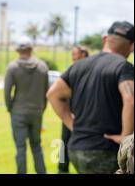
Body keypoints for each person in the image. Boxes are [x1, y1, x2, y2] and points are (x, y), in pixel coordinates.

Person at [48, 21, 134, 174]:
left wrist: (73, 126)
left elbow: (53, 94)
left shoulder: (78, 66)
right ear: (131, 45)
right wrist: (126, 139)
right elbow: (131, 100)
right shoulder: (123, 67)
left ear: (105, 40)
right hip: (107, 150)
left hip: (77, 149)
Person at [4, 43, 49, 174]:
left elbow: (7, 92)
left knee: (20, 148)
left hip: (18, 111)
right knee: (36, 146)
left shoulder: (12, 67)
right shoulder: (42, 67)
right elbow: (46, 91)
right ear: (31, 50)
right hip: (37, 111)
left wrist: (10, 107)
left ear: (19, 51)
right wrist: (42, 108)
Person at [58, 45, 89, 174]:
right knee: (64, 142)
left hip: (87, 115)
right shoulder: (71, 71)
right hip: (70, 114)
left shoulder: (90, 71)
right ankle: (62, 170)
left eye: (74, 54)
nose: (73, 57)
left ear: (83, 55)